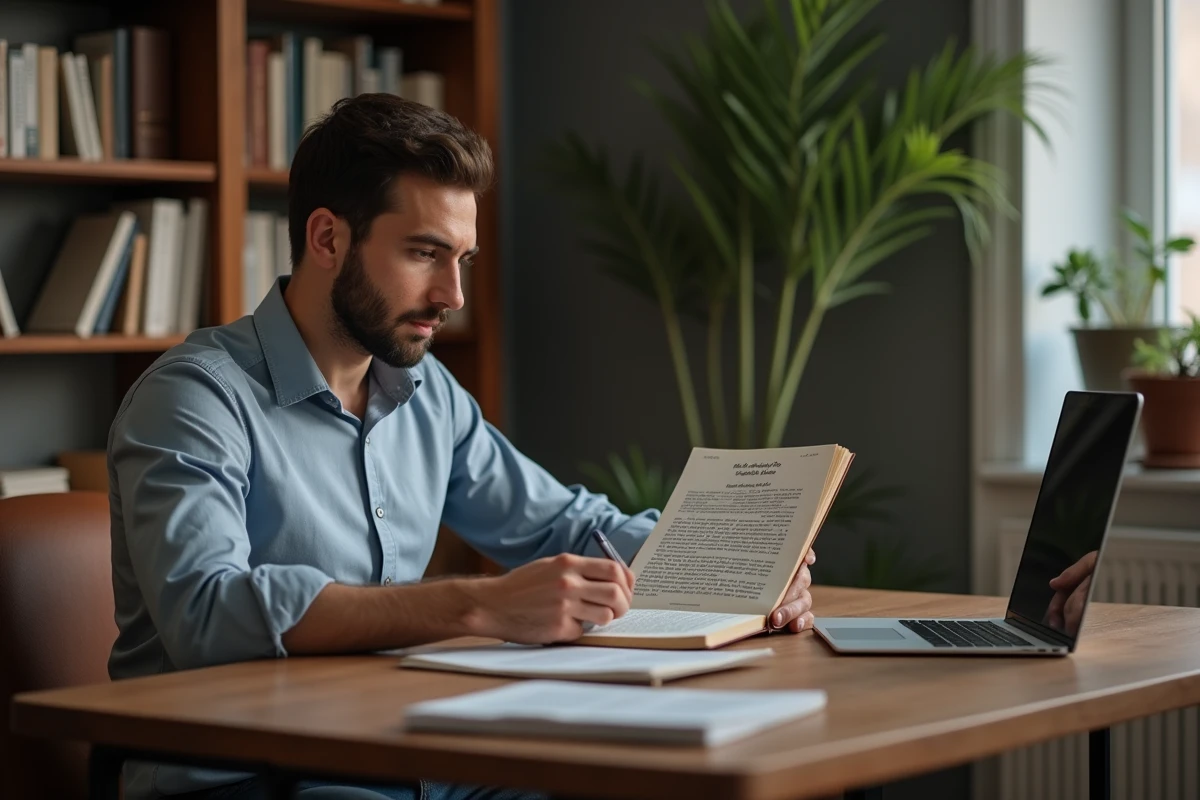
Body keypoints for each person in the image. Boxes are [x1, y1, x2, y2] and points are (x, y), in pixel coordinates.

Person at [106, 94, 817, 800]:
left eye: (462, 260)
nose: (454, 294)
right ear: (327, 239)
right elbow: (206, 610)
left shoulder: (427, 393)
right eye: (425, 253)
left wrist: (737, 566)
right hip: (252, 778)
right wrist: (474, 606)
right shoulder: (195, 398)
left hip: (408, 756)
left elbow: (561, 525)